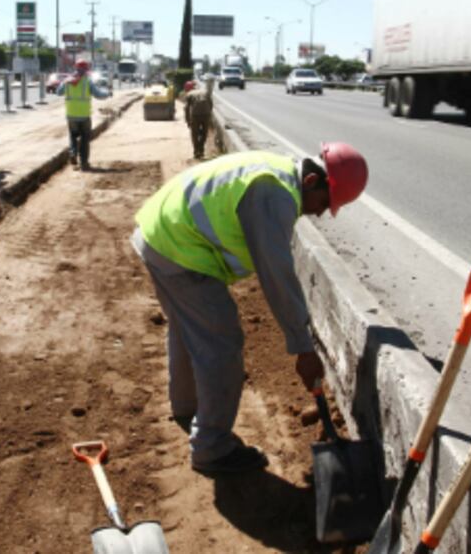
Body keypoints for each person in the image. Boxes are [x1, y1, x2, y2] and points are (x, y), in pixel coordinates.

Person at [131, 143, 369, 474]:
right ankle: (212, 449)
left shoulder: (275, 173)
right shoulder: (274, 194)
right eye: (323, 203)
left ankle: (187, 406)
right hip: (181, 252)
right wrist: (302, 347)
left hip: (161, 236)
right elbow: (276, 275)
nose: (319, 213)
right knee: (221, 345)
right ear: (311, 180)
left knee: (188, 329)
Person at [57, 59, 110, 170]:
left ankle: (73, 153)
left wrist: (65, 83)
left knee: (73, 136)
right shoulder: (87, 81)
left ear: (76, 68)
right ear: (86, 69)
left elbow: (58, 92)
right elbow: (99, 94)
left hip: (71, 114)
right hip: (84, 115)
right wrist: (108, 93)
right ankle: (84, 163)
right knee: (85, 139)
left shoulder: (67, 80)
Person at [183, 77, 214, 159]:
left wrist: (188, 121)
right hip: (206, 114)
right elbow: (211, 104)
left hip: (195, 115)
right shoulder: (205, 92)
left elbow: (186, 108)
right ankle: (201, 149)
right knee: (204, 133)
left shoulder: (189, 94)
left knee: (194, 134)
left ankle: (196, 151)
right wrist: (209, 115)